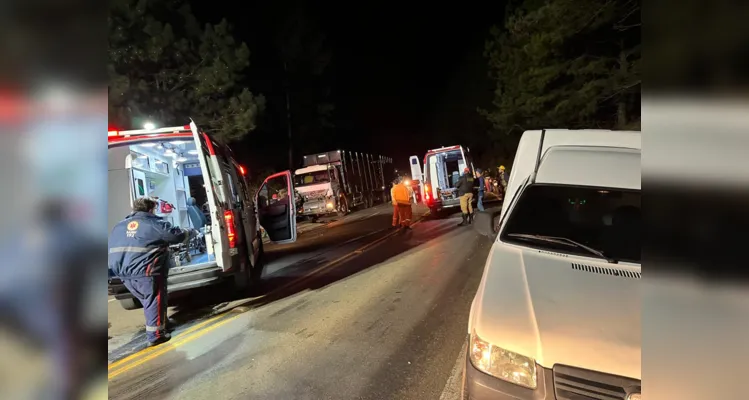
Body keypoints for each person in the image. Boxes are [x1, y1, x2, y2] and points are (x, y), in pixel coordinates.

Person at [108, 197, 187, 346]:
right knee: (153, 299)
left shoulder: (119, 226)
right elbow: (176, 236)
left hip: (123, 272)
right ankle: (156, 335)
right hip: (145, 270)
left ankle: (162, 321)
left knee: (149, 300)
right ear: (150, 209)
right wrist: (188, 233)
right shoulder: (154, 223)